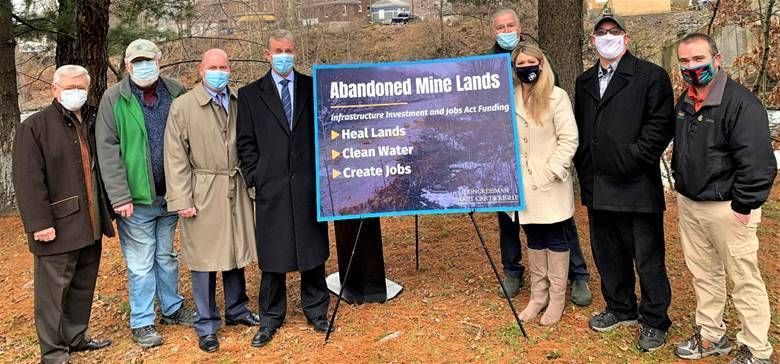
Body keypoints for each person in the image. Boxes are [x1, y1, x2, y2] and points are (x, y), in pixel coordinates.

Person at [671, 33, 776, 364]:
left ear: (717, 59)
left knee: (744, 280)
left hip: (728, 208)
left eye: (699, 59)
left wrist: (743, 206)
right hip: (691, 204)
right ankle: (711, 335)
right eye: (685, 61)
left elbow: (759, 165)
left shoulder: (741, 104)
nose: (692, 67)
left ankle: (756, 349)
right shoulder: (685, 101)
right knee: (704, 274)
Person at [573, 14, 675, 352]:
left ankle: (655, 320)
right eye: (601, 33)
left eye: (613, 32)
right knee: (608, 254)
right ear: (592, 41)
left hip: (636, 186)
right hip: (598, 186)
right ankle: (620, 308)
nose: (607, 37)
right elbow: (582, 130)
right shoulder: (585, 80)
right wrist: (586, 168)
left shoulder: (651, 76)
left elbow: (659, 129)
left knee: (647, 258)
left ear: (626, 38)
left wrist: (627, 160)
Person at [487, 7, 591, 307]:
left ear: (519, 27)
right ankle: (513, 271)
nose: (506, 31)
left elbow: (550, 100)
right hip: (507, 158)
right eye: (500, 27)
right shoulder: (485, 63)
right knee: (509, 220)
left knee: (559, 221)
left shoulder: (541, 58)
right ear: (493, 32)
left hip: (543, 158)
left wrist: (552, 166)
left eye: (510, 25)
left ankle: (578, 273)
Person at [96, 39, 195, 348]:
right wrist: (119, 196)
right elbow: (107, 150)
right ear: (127, 66)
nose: (144, 66)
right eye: (137, 62)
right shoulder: (114, 99)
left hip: (171, 196)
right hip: (136, 200)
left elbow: (190, 137)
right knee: (140, 263)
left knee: (166, 256)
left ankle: (172, 308)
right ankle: (142, 321)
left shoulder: (176, 90)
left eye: (149, 60)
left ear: (159, 60)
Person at [13, 65, 115, 363]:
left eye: (80, 87)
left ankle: (75, 336)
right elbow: (28, 181)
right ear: (54, 90)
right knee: (53, 294)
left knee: (83, 284)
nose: (75, 92)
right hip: (56, 225)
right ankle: (54, 351)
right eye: (68, 87)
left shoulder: (93, 120)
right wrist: (40, 224)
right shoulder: (34, 127)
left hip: (90, 221)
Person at [237, 29, 331, 348]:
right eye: (278, 50)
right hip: (271, 186)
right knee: (273, 255)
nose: (284, 55)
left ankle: (316, 310)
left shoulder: (312, 86)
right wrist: (256, 175)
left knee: (312, 250)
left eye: (289, 50)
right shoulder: (250, 94)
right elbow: (245, 143)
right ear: (268, 54)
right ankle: (270, 318)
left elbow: (325, 128)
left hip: (307, 183)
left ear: (295, 53)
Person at [164, 48, 260, 353]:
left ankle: (238, 309)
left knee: (233, 251)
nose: (219, 71)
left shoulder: (238, 101)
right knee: (204, 258)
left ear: (230, 69)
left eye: (224, 66)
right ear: (201, 70)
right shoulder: (182, 107)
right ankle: (206, 323)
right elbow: (175, 156)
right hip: (202, 187)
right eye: (213, 67)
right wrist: (182, 198)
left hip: (235, 183)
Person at [509, 44, 579, 326]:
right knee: (533, 238)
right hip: (522, 183)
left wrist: (551, 171)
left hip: (550, 182)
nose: (526, 66)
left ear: (541, 63)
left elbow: (569, 139)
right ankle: (539, 296)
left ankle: (557, 297)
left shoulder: (556, 96)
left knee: (555, 237)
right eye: (520, 62)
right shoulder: (509, 97)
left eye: (531, 61)